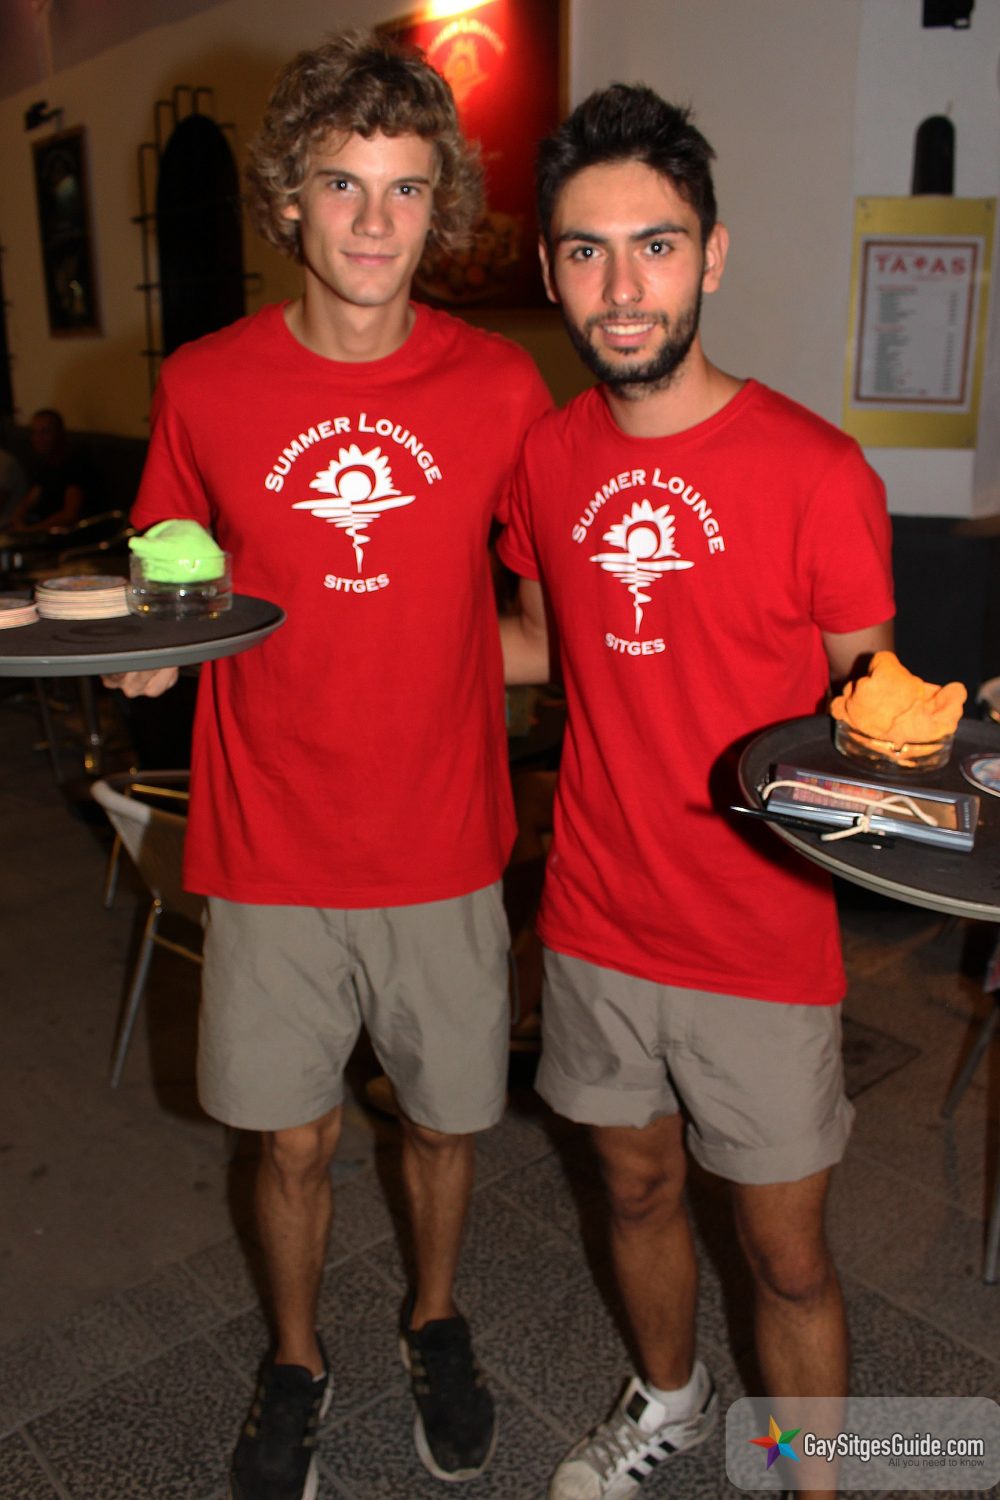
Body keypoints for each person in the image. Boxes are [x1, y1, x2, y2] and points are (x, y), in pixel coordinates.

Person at [103, 29, 550, 1500]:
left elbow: (545, 628)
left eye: (406, 188)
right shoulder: (205, 384)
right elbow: (171, 584)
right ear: (286, 198)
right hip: (269, 844)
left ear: (442, 207)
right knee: (287, 1145)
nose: (373, 221)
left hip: (442, 841)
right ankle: (296, 1359)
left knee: (444, 1125)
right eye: (342, 184)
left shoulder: (500, 389)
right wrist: (149, 649)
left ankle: (434, 1319)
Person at [498, 84, 895, 1500]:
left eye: (655, 246)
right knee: (635, 1188)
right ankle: (669, 1401)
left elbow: (876, 715)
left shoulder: (817, 473)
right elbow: (535, 644)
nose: (623, 288)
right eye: (588, 251)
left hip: (758, 938)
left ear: (712, 256)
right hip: (596, 919)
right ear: (551, 270)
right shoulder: (545, 459)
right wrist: (336, 631)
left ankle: (808, 1478)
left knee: (784, 1258)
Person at [8, 408, 89, 532]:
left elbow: (69, 515)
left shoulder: (76, 464)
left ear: (60, 434)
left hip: (67, 535)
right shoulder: (46, 463)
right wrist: (17, 519)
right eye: (35, 432)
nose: (38, 438)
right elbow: (30, 499)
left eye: (45, 432)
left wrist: (31, 531)